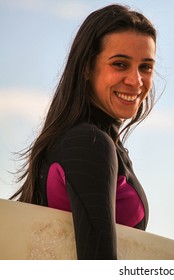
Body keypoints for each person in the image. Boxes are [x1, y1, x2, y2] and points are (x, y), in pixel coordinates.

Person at [10, 4, 158, 260]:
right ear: (87, 68)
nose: (136, 81)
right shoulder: (88, 143)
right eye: (120, 64)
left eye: (145, 67)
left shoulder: (99, 141)